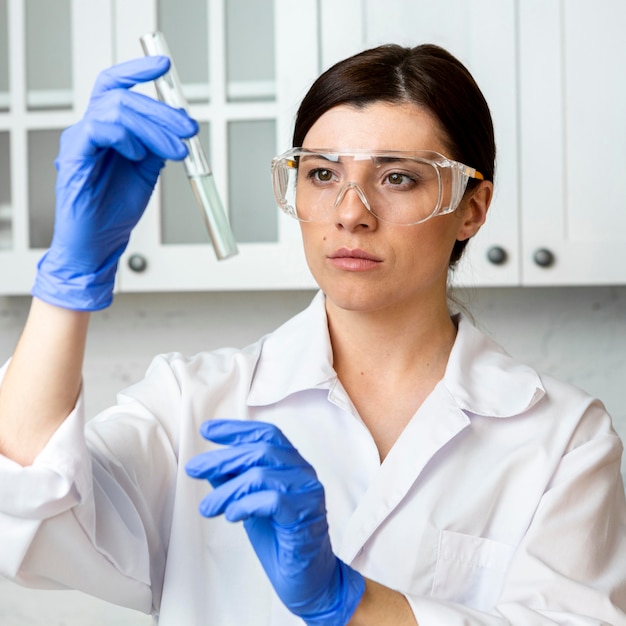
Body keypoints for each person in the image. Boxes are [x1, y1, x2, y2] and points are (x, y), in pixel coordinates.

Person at [0, 43, 625, 626]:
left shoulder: (563, 439)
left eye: (398, 176)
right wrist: (67, 280)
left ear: (472, 207)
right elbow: (29, 518)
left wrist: (347, 600)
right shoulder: (194, 404)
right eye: (322, 174)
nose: (351, 212)